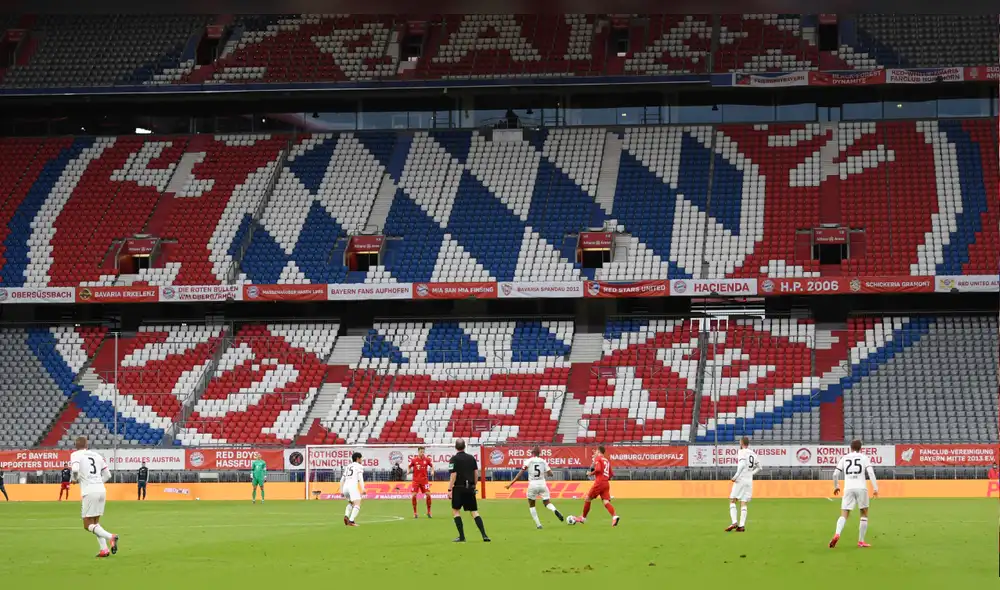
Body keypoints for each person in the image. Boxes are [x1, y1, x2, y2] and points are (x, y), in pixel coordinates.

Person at [69, 436, 118, 558]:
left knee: (87, 524)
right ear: (87, 445)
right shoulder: (97, 456)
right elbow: (108, 475)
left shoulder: (76, 455)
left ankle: (110, 537)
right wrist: (98, 482)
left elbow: (75, 469)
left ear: (76, 446)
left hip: (89, 492)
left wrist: (74, 479)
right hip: (101, 490)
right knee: (95, 522)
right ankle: (104, 549)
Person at [830, 439, 879, 549]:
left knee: (844, 514)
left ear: (850, 448)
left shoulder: (844, 457)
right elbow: (870, 472)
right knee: (864, 513)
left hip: (848, 488)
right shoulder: (864, 457)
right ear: (860, 448)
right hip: (861, 488)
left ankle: (837, 533)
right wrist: (875, 488)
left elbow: (835, 474)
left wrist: (836, 486)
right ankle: (861, 541)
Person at [505, 445, 564, 529]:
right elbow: (551, 474)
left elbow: (520, 473)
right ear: (539, 453)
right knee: (547, 502)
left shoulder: (529, 461)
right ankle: (554, 510)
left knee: (532, 505)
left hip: (533, 484)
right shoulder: (543, 461)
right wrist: (544, 473)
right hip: (542, 484)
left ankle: (538, 524)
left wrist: (511, 483)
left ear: (532, 453)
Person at [448, 438, 489, 542]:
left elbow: (454, 474)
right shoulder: (471, 458)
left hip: (458, 488)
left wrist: (449, 489)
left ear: (455, 447)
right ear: (464, 446)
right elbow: (476, 473)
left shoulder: (453, 459)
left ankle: (462, 536)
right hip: (469, 488)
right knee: (474, 512)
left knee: (456, 511)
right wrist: (474, 485)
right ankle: (484, 535)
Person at [726, 436, 762, 532]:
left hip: (741, 479)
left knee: (733, 500)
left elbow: (741, 465)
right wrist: (751, 474)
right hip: (749, 481)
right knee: (744, 502)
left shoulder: (742, 452)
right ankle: (741, 526)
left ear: (741, 443)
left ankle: (734, 522)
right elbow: (759, 467)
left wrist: (735, 476)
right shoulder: (753, 453)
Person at [576, 445, 619, 526]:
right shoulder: (606, 460)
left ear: (599, 452)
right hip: (606, 483)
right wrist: (605, 478)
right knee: (606, 502)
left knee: (588, 498)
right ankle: (614, 516)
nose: (595, 452)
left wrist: (590, 473)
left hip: (599, 482)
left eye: (596, 451)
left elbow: (598, 469)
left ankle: (583, 518)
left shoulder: (598, 458)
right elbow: (611, 474)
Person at [408, 446, 433, 519]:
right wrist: (408, 470)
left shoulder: (427, 459)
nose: (422, 453)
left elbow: (432, 466)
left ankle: (429, 512)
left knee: (428, 495)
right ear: (418, 452)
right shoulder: (414, 460)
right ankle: (415, 513)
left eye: (423, 452)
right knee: (413, 496)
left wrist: (432, 471)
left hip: (424, 480)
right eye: (421, 452)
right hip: (415, 481)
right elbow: (409, 466)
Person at [340, 452, 365, 527]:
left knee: (351, 503)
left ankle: (346, 516)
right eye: (361, 458)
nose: (362, 460)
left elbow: (342, 480)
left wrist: (341, 491)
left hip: (345, 487)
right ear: (358, 459)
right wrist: (363, 488)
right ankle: (351, 521)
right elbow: (360, 478)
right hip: (352, 487)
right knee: (357, 503)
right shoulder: (359, 466)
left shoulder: (348, 466)